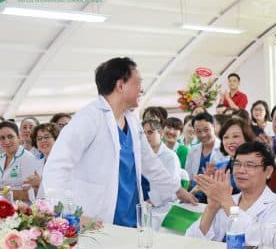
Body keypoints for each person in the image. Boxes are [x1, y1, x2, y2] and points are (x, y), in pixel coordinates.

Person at [43, 57, 179, 227]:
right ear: (120, 85)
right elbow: (56, 168)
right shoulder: (88, 118)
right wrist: (70, 214)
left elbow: (150, 162)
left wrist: (177, 190)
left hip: (131, 217)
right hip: (95, 217)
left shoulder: (132, 121)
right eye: (138, 83)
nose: (142, 89)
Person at [186, 142, 276, 246]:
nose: (241, 170)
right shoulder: (228, 200)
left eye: (249, 165)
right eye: (237, 164)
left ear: (268, 171)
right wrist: (211, 208)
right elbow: (191, 240)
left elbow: (267, 242)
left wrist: (226, 202)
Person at [0, 121, 40, 203]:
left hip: (20, 209)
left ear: (19, 137)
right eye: (2, 138)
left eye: (10, 136)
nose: (6, 141)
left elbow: (30, 195)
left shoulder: (27, 158)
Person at [185, 112, 227, 202]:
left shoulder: (224, 149)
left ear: (214, 127)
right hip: (193, 196)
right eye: (198, 131)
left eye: (206, 130)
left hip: (214, 197)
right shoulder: (193, 150)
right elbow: (189, 177)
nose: (203, 134)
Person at [215, 117, 256, 194]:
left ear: (247, 138)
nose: (230, 141)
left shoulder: (256, 166)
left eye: (235, 136)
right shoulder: (219, 167)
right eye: (226, 137)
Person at [23, 123, 58, 197]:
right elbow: (34, 196)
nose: (43, 140)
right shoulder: (36, 164)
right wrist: (34, 189)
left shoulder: (64, 163)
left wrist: (40, 184)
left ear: (56, 139)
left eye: (46, 137)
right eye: (39, 138)